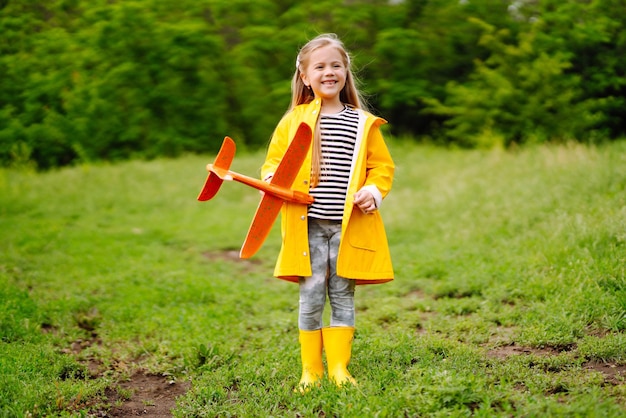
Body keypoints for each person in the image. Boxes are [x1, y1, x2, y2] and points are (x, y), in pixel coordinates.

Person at [261, 33, 395, 391]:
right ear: (305, 76)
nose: (329, 72)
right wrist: (275, 177)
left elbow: (381, 168)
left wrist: (372, 191)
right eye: (319, 66)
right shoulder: (295, 121)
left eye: (336, 65)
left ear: (346, 71)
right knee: (311, 294)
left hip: (349, 227)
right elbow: (273, 164)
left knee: (342, 294)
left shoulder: (362, 123)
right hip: (308, 228)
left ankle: (338, 368)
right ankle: (311, 370)